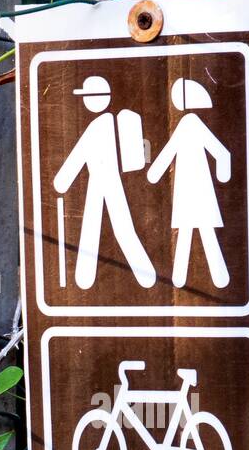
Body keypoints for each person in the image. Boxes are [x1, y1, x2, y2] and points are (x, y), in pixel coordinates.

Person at [53, 74, 156, 289]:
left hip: (104, 181)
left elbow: (77, 157)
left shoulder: (98, 126)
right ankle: (142, 276)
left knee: (104, 227)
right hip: (104, 182)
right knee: (113, 227)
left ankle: (142, 276)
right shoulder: (108, 122)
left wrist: (62, 181)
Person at [147, 76, 232, 289]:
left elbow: (221, 153)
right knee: (195, 231)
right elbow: (220, 154)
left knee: (195, 231)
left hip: (194, 189)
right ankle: (195, 279)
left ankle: (195, 279)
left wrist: (155, 173)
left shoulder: (190, 124)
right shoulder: (190, 124)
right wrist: (155, 173)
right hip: (192, 190)